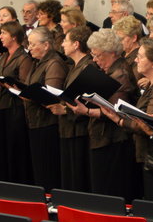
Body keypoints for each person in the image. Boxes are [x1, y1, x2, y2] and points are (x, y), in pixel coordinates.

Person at [68, 29, 138, 201]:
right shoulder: (111, 70)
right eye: (93, 55)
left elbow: (117, 111)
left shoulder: (120, 73)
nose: (95, 60)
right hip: (103, 137)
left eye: (98, 56)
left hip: (113, 140)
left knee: (110, 191)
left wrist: (87, 111)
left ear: (112, 53)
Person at [105, 38, 153, 202]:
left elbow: (147, 125)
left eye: (141, 56)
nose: (136, 59)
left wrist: (119, 120)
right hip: (147, 154)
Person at [47, 26, 93, 191]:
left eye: (65, 41)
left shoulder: (88, 66)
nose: (62, 45)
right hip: (69, 128)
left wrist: (64, 109)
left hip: (79, 129)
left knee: (79, 176)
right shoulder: (75, 65)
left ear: (76, 44)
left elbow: (86, 101)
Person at [23, 27, 68, 191]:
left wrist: (28, 94)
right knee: (40, 168)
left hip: (47, 123)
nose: (30, 48)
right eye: (29, 44)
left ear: (47, 45)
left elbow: (52, 93)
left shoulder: (54, 62)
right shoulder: (37, 62)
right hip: (35, 120)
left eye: (33, 44)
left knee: (48, 168)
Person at [0, 21, 34, 183]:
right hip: (1, 105)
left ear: (14, 37)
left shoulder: (23, 58)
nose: (0, 37)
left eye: (3, 33)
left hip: (15, 107)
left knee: (15, 148)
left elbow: (25, 84)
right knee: (3, 147)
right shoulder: (3, 56)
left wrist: (10, 84)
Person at [113, 16, 143, 83]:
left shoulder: (140, 57)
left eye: (122, 39)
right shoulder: (122, 52)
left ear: (134, 38)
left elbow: (131, 81)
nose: (119, 42)